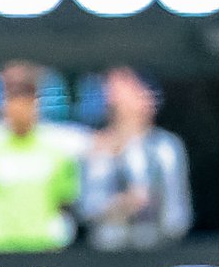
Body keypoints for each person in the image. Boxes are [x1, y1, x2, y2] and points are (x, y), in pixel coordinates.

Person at [0, 64, 80, 252]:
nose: (20, 107)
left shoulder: (57, 152)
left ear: (37, 103)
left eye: (27, 99)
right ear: (4, 104)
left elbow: (65, 203)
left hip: (44, 247)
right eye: (14, 99)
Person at [79, 68, 192, 250]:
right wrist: (123, 205)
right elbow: (88, 208)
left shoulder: (167, 147)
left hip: (160, 249)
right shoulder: (96, 148)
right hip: (108, 252)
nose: (116, 92)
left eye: (128, 85)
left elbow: (178, 214)